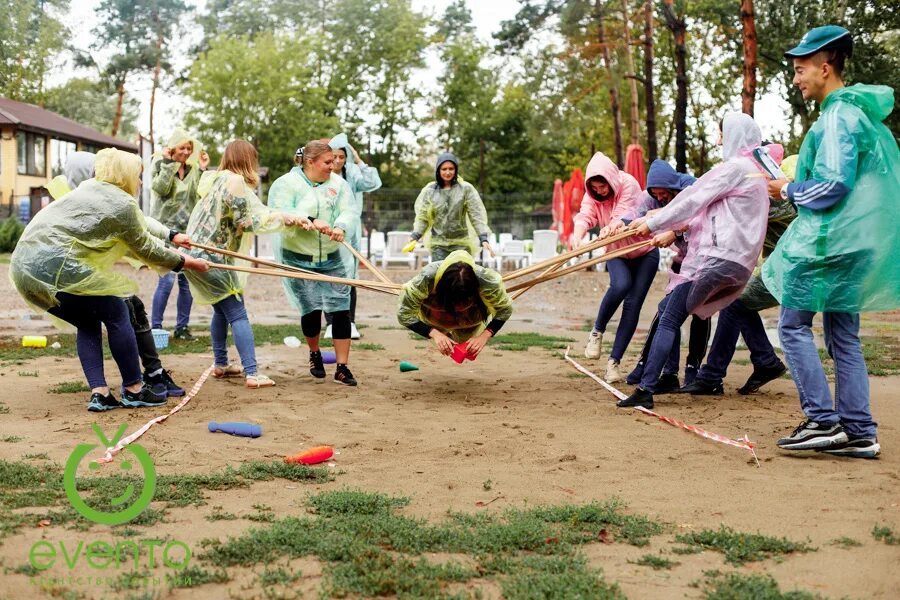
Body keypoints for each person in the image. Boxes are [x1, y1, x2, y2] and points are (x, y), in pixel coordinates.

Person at [763, 26, 900, 458]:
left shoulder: (838, 116)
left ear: (826, 67)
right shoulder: (857, 114)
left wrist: (785, 190)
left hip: (830, 241)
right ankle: (859, 431)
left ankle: (823, 421)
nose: (796, 78)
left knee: (792, 325)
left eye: (801, 69)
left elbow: (833, 185)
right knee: (843, 335)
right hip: (856, 242)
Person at [9, 148, 209, 412]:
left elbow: (139, 223)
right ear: (123, 175)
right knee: (116, 311)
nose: (140, 183)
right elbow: (146, 249)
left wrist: (171, 235)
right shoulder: (121, 203)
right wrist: (187, 262)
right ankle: (134, 389)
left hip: (24, 271)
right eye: (138, 176)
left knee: (88, 320)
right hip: (57, 268)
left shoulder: (91, 188)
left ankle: (100, 394)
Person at [618, 112, 770, 410]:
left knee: (670, 315)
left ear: (735, 135)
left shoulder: (733, 169)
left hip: (716, 258)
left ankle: (647, 388)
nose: (719, 140)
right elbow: (705, 210)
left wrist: (652, 224)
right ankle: (684, 377)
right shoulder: (757, 174)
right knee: (671, 310)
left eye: (722, 134)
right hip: (740, 264)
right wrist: (656, 221)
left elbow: (692, 200)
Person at [49, 152, 190, 400]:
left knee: (102, 316)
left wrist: (170, 234)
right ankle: (141, 383)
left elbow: (138, 220)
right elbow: (137, 236)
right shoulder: (79, 199)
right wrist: (178, 258)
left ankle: (106, 390)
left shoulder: (89, 196)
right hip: (72, 277)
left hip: (71, 276)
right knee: (123, 307)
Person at [184, 140, 307, 389]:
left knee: (221, 310)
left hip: (194, 254)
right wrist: (283, 220)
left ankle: (221, 363)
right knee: (237, 312)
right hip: (212, 259)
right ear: (247, 160)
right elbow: (246, 222)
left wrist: (285, 217)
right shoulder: (235, 182)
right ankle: (252, 373)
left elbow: (251, 214)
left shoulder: (216, 178)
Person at [679, 153, 796, 397]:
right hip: (786, 267)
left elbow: (736, 212)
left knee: (737, 304)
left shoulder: (780, 199)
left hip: (790, 269)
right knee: (739, 305)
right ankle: (761, 362)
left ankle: (717, 374)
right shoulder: (789, 193)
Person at [268, 140, 359, 386]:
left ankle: (342, 367)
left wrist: (341, 225)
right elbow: (278, 211)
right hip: (297, 256)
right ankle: (315, 353)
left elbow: (349, 211)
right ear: (310, 162)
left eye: (335, 161)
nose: (333, 166)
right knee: (311, 310)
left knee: (341, 310)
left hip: (332, 258)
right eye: (328, 162)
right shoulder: (287, 184)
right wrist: (308, 219)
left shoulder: (339, 185)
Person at [619, 159, 707, 392]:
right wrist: (619, 224)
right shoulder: (653, 197)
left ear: (671, 187)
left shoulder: (691, 186)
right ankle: (668, 372)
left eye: (663, 193)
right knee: (667, 313)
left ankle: (693, 370)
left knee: (700, 314)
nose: (659, 197)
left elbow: (698, 212)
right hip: (683, 260)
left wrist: (673, 230)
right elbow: (637, 212)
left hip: (706, 261)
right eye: (655, 193)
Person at [572, 151, 657, 383]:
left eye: (603, 186)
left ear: (611, 178)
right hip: (615, 252)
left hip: (644, 251)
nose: (600, 191)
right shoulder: (592, 194)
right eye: (595, 188)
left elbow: (623, 215)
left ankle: (614, 363)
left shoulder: (628, 183)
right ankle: (597, 332)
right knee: (620, 286)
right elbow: (585, 215)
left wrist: (609, 228)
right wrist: (577, 235)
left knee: (632, 305)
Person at [149, 128, 209, 341]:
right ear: (172, 148)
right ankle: (155, 328)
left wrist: (202, 169)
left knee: (186, 282)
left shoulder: (193, 170)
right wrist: (168, 164)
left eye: (189, 148)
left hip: (187, 234)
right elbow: (161, 189)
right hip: (165, 232)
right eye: (182, 147)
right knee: (166, 281)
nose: (185, 152)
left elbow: (201, 193)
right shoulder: (159, 165)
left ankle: (182, 328)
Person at [398, 250, 512, 357]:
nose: (459, 308)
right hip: (434, 318)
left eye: (465, 302)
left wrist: (484, 335)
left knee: (465, 344)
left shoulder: (487, 282)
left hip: (471, 320)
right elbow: (405, 314)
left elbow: (504, 310)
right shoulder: (427, 279)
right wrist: (434, 333)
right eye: (454, 302)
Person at [323, 133, 382, 341]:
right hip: (328, 233)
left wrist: (358, 159)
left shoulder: (353, 174)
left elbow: (373, 182)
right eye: (334, 157)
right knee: (329, 277)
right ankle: (330, 322)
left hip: (350, 233)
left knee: (350, 277)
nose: (338, 161)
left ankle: (350, 322)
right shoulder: (323, 176)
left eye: (342, 157)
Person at [409, 153, 492, 262]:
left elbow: (475, 215)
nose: (448, 172)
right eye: (444, 169)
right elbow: (423, 218)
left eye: (451, 168)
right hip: (438, 245)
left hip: (461, 244)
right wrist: (415, 236)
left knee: (461, 275)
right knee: (440, 276)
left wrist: (483, 238)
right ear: (438, 170)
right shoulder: (430, 191)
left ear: (456, 169)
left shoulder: (465, 189)